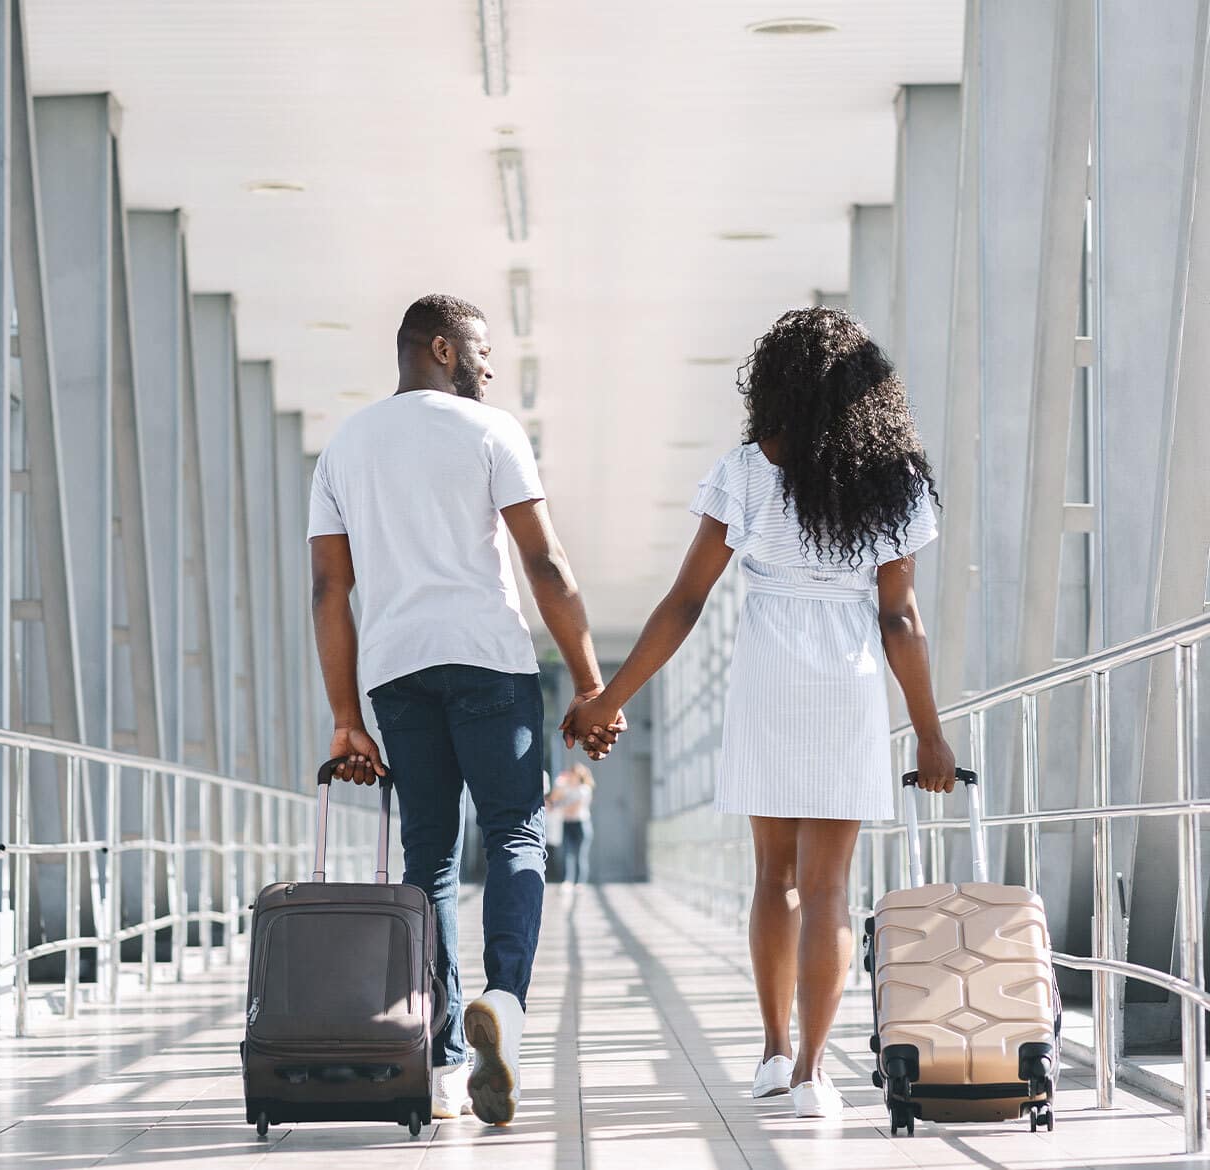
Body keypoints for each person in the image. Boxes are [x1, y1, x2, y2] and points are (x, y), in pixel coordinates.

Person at [563, 307, 957, 1122]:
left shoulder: (746, 471)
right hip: (846, 685)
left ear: (773, 383)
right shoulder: (895, 482)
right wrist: (928, 731)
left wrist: (610, 697)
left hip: (769, 683)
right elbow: (900, 620)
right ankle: (817, 1071)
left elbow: (685, 602)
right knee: (828, 889)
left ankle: (774, 1051)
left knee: (773, 879)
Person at [307, 294, 624, 1126]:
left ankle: (446, 1062)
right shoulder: (491, 433)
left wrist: (346, 715)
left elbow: (329, 589)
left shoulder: (346, 445)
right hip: (489, 662)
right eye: (482, 351)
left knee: (431, 860)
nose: (490, 367)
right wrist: (592, 686)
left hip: (397, 673)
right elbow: (545, 564)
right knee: (516, 833)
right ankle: (506, 1007)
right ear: (440, 348)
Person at [547, 763, 594, 888]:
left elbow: (573, 809)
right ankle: (567, 881)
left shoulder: (584, 789)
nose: (571, 776)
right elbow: (552, 800)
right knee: (567, 853)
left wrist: (558, 808)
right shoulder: (565, 787)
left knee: (580, 855)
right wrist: (559, 784)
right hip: (567, 824)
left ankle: (580, 882)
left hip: (581, 824)